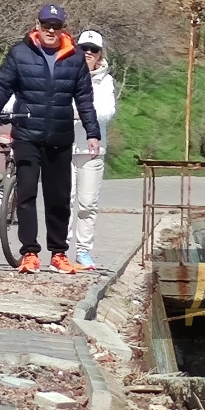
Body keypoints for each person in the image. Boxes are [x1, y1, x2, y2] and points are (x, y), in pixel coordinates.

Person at [0, 4, 100, 274]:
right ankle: (29, 253)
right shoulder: (20, 52)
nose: (50, 30)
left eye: (56, 26)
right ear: (37, 25)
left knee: (58, 197)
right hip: (27, 134)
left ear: (63, 29)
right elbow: (2, 86)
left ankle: (58, 253)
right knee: (26, 194)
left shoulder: (75, 57)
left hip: (59, 136)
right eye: (46, 25)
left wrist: (92, 133)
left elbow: (84, 99)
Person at [68, 30, 116, 272]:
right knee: (64, 201)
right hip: (64, 145)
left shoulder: (105, 81)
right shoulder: (66, 72)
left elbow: (107, 112)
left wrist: (80, 113)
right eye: (83, 48)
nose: (88, 53)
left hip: (92, 149)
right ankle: (61, 250)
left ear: (100, 54)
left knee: (87, 204)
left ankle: (83, 251)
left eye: (93, 50)